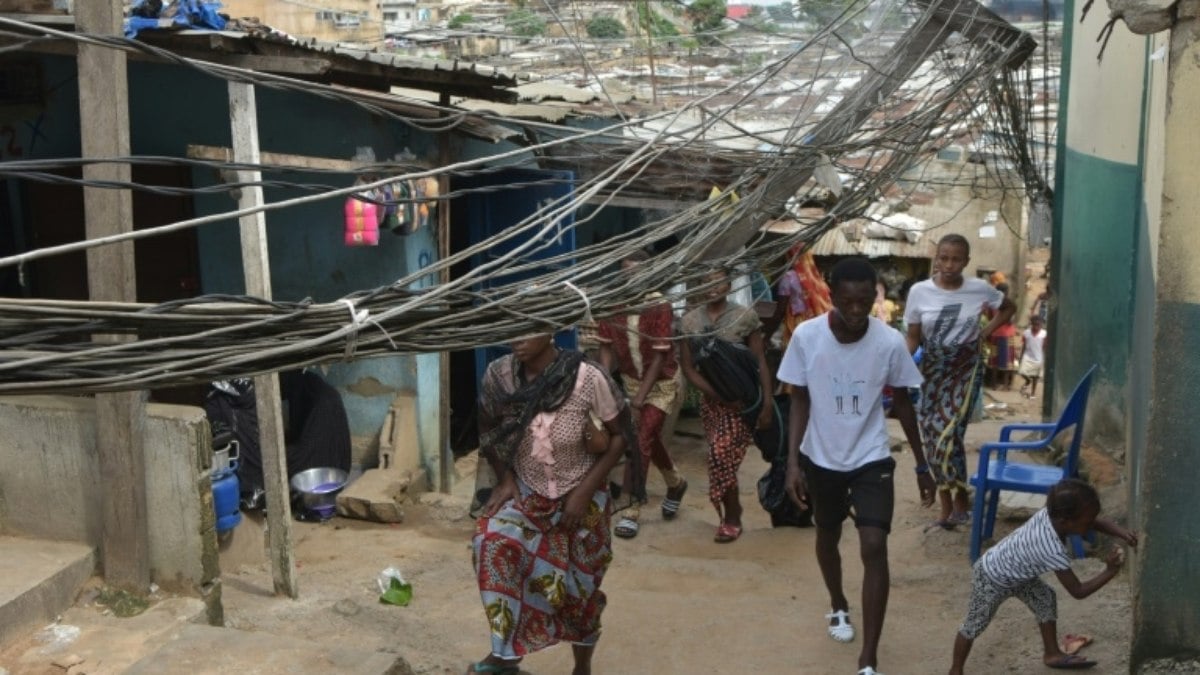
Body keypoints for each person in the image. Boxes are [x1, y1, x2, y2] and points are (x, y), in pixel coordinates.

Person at [779, 257, 936, 675]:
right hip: (822, 457)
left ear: (874, 299)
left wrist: (923, 466)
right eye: (847, 301)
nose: (855, 311)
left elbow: (902, 402)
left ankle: (869, 657)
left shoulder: (888, 343)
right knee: (827, 534)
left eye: (864, 302)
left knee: (873, 545)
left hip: (871, 456)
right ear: (831, 296)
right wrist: (792, 463)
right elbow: (798, 398)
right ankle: (837, 603)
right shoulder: (807, 337)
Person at [469, 333, 628, 675]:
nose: (517, 338)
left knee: (579, 591)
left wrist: (584, 492)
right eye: (513, 328)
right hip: (528, 492)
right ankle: (505, 654)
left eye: (529, 329)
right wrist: (507, 479)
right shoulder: (501, 376)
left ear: (550, 329)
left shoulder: (586, 376)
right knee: (491, 541)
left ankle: (582, 666)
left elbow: (619, 437)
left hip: (582, 499)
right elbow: (487, 427)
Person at [948, 478, 1138, 674]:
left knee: (1045, 598)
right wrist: (1110, 571)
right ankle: (955, 669)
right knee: (974, 624)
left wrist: (1122, 533)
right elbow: (1078, 591)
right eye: (1087, 522)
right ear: (1066, 521)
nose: (1091, 525)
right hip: (992, 577)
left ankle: (1052, 654)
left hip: (1019, 574)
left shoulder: (1053, 514)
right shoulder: (1051, 548)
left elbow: (1094, 521)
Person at [905, 234, 1015, 528]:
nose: (949, 264)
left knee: (949, 431)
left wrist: (985, 331)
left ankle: (957, 502)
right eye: (944, 258)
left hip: (966, 369)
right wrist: (898, 368)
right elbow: (914, 336)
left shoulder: (979, 289)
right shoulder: (919, 292)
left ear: (966, 261)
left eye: (956, 259)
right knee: (930, 431)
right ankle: (949, 496)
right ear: (936, 259)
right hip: (933, 369)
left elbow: (1008, 307)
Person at [598, 250, 688, 539]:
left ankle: (631, 506)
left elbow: (661, 358)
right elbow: (607, 351)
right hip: (631, 382)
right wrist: (600, 384)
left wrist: (639, 400)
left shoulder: (659, 304)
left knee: (640, 438)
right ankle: (675, 482)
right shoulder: (613, 304)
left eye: (638, 272)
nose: (632, 277)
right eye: (627, 272)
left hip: (660, 383)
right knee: (647, 438)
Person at [679, 267, 774, 543]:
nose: (712, 286)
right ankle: (732, 512)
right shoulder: (689, 323)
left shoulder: (744, 317)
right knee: (723, 459)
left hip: (743, 404)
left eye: (718, 280)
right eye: (705, 280)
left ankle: (731, 517)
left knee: (721, 455)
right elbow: (688, 368)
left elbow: (760, 364)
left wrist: (767, 403)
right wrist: (718, 395)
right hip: (714, 404)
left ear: (729, 285)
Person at [1018, 315, 1047, 398]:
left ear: (1041, 325)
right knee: (1022, 371)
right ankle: (1027, 381)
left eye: (1038, 324)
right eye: (1034, 324)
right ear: (1031, 324)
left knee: (1035, 376)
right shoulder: (1026, 333)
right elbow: (1024, 345)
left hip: (1038, 358)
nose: (1036, 326)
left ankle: (1033, 393)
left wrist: (1044, 359)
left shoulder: (1044, 334)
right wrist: (1021, 357)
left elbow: (1045, 347)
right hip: (1027, 356)